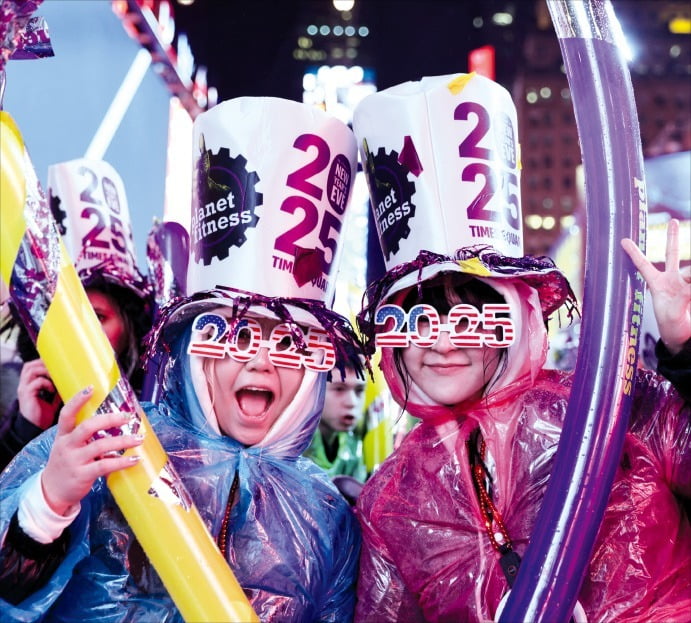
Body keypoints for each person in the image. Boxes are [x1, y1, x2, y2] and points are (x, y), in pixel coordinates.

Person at [0, 96, 365, 622]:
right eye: (232, 335)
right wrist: (47, 503)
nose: (260, 361)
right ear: (194, 353)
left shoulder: (326, 514)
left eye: (288, 342)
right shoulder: (116, 445)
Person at [350, 73, 690, 622]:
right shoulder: (390, 501)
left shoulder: (609, 399)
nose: (440, 341)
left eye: (469, 315)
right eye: (416, 318)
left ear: (512, 314)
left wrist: (685, 352)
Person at [0, 159, 153, 473]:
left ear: (128, 331)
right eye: (63, 317)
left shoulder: (162, 408)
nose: (80, 333)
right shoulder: (15, 396)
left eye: (97, 316)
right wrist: (26, 430)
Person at [305, 356, 368, 484]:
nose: (352, 402)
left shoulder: (353, 444)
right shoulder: (293, 448)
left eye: (359, 390)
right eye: (339, 389)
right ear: (314, 390)